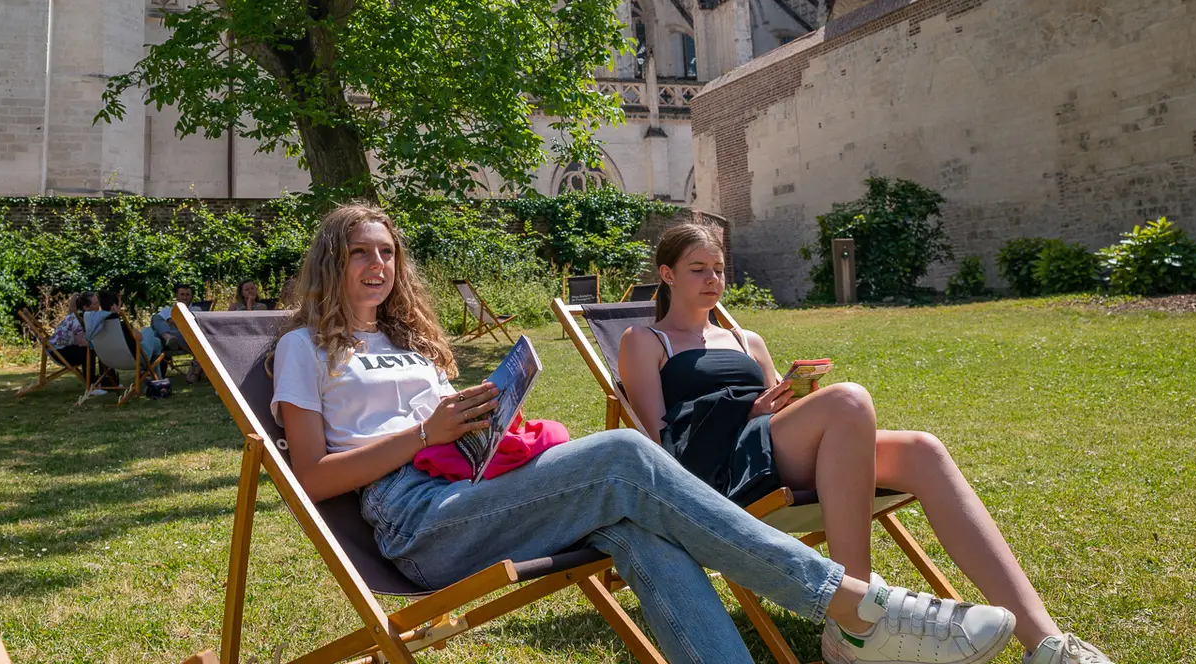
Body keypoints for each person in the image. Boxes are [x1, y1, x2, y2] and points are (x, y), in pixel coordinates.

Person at [274, 203, 1016, 664]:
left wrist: (486, 420)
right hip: (418, 523)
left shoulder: (415, 345)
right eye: (361, 251)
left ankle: (852, 612)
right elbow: (310, 478)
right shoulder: (302, 350)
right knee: (628, 456)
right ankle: (856, 608)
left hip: (480, 490)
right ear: (332, 262)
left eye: (387, 251)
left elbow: (451, 440)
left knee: (638, 529)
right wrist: (422, 432)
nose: (378, 264)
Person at [617, 223, 1111, 664]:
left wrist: (788, 399)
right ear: (667, 274)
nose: (712, 280)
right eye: (698, 269)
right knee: (849, 401)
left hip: (778, 447)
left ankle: (1045, 644)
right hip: (719, 469)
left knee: (922, 448)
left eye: (720, 269)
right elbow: (660, 444)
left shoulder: (748, 339)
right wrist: (748, 411)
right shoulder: (645, 340)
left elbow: (786, 413)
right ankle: (855, 621)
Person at [143, 284, 205, 382]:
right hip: (168, 340)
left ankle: (146, 371)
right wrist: (174, 323)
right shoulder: (167, 310)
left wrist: (171, 322)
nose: (185, 297)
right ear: (177, 296)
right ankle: (167, 337)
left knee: (155, 335)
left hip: (186, 338)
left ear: (191, 296)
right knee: (155, 319)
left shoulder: (196, 310)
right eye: (182, 294)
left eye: (187, 294)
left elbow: (191, 327)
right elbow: (156, 320)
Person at [47, 292, 99, 385]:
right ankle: (91, 384)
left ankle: (103, 380)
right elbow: (82, 342)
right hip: (58, 352)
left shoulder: (81, 315)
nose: (98, 306)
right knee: (89, 350)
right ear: (86, 307)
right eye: (95, 304)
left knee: (96, 348)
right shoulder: (78, 320)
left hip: (62, 348)